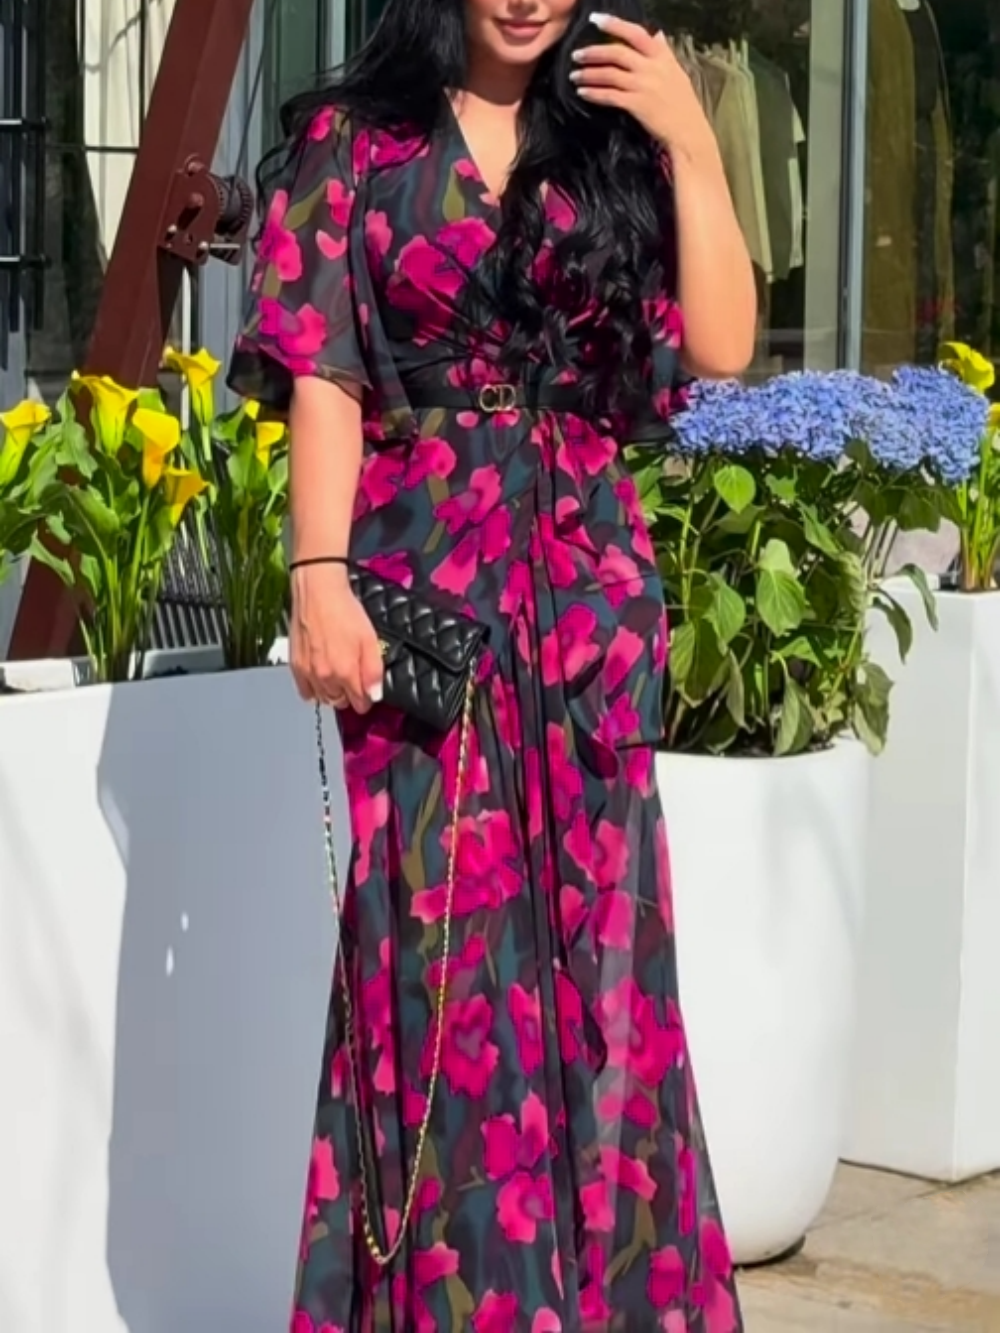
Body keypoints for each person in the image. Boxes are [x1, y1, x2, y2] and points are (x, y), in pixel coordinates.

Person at [228, 0, 755, 1328]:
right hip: (427, 607)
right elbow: (326, 369)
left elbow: (724, 345)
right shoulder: (358, 143)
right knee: (438, 974)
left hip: (586, 606)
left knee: (606, 977)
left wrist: (693, 140)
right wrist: (317, 573)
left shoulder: (614, 144)